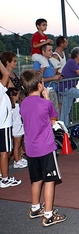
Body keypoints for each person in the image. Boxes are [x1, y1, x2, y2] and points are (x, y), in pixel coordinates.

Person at [19, 69, 67, 226]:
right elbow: (53, 116)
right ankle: (48, 214)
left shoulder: (23, 104)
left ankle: (35, 208)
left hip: (31, 149)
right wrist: (47, 98)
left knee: (36, 180)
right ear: (40, 85)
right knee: (49, 181)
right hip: (45, 148)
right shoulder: (45, 103)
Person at [0, 59, 22, 188]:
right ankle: (5, 178)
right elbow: (6, 74)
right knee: (5, 152)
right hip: (3, 124)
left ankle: (2, 175)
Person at [33, 44, 63, 115]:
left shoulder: (51, 62)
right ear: (43, 52)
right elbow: (37, 79)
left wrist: (57, 77)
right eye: (49, 50)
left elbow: (52, 75)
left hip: (53, 90)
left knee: (55, 113)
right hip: (45, 92)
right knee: (48, 113)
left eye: (52, 50)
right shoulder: (38, 63)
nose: (51, 52)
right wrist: (53, 78)